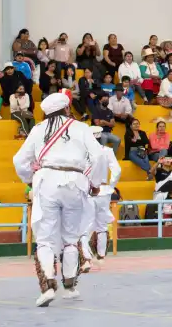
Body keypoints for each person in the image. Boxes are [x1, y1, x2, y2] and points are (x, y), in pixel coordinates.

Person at [13, 92, 106, 307]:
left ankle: (47, 285)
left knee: (45, 237)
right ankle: (70, 285)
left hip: (47, 180)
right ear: (66, 108)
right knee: (70, 237)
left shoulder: (38, 129)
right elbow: (99, 156)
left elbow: (19, 160)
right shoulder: (81, 128)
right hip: (75, 181)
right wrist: (96, 182)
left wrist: (29, 179)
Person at [80, 125, 122, 268]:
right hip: (104, 190)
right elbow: (117, 170)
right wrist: (111, 185)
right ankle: (101, 255)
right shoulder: (107, 151)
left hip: (88, 190)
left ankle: (86, 257)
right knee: (102, 224)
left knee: (85, 224)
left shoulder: (83, 152)